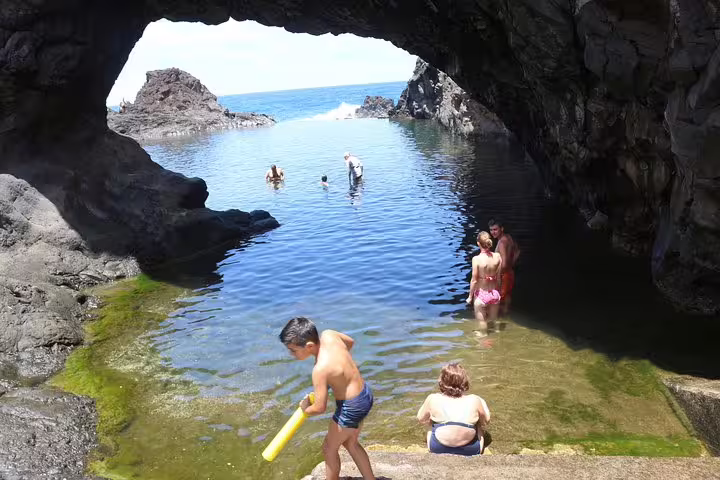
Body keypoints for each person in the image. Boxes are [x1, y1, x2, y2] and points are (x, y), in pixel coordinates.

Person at [280, 317, 375, 480]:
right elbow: (350, 342)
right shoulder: (330, 335)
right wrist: (340, 373)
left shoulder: (320, 369)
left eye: (293, 350)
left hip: (351, 406)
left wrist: (304, 409)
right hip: (365, 394)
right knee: (350, 442)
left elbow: (319, 407)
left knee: (328, 448)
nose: (291, 354)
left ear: (309, 346)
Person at [417, 363, 491, 456]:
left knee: (431, 421)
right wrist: (482, 403)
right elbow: (486, 421)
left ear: (442, 381)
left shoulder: (432, 398)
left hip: (438, 448)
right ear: (464, 381)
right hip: (470, 450)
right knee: (479, 424)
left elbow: (421, 419)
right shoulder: (475, 399)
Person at [466, 231, 502, 336]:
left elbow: (474, 280)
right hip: (494, 294)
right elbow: (499, 278)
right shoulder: (497, 256)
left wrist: (470, 296)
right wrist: (498, 292)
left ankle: (483, 336)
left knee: (482, 322)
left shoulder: (476, 259)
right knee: (493, 320)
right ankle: (496, 333)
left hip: (482, 295)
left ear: (478, 243)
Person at [489, 219, 521, 316]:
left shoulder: (502, 243)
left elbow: (504, 262)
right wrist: (512, 265)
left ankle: (498, 320)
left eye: (495, 229)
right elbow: (518, 251)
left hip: (503, 275)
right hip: (510, 272)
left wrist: (496, 274)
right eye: (491, 230)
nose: (493, 232)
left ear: (501, 229)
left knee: (498, 300)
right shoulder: (508, 238)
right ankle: (506, 316)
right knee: (507, 297)